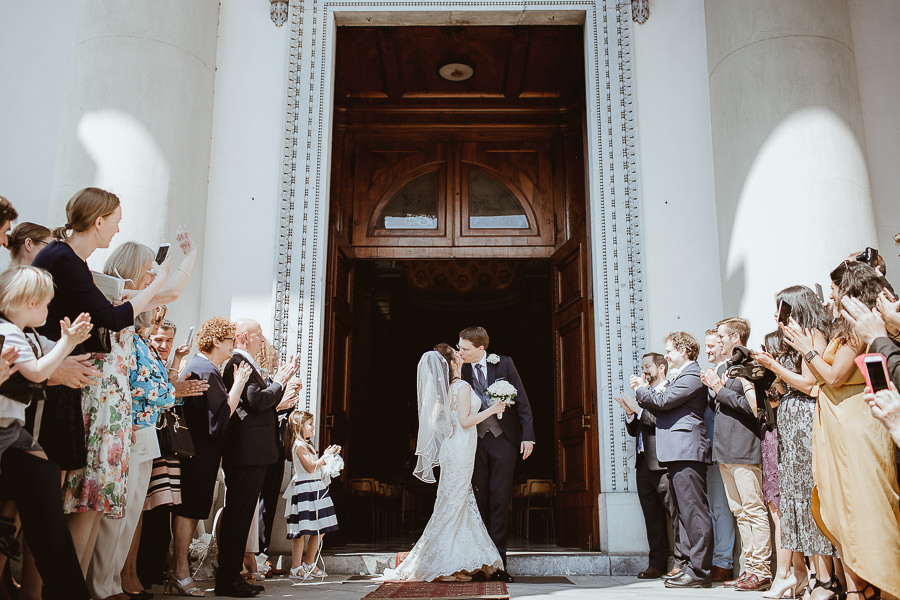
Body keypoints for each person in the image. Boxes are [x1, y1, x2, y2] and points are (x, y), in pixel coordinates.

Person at [783, 261, 900, 599]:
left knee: (866, 504)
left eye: (833, 291)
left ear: (848, 292)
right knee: (840, 507)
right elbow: (819, 371)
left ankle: (881, 584)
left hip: (858, 425)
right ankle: (855, 588)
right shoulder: (841, 327)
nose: (828, 297)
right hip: (836, 424)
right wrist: (806, 342)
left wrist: (805, 347)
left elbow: (831, 377)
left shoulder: (856, 331)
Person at [0, 265, 93, 600]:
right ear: (28, 302)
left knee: (45, 472)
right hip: (5, 432)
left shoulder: (19, 333)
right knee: (42, 477)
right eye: (44, 304)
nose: (48, 310)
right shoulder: (10, 334)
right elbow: (39, 373)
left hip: (15, 430)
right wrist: (67, 343)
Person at [383, 345, 506, 582]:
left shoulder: (447, 389)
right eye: (456, 352)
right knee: (454, 502)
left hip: (458, 447)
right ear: (451, 364)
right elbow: (465, 420)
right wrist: (493, 410)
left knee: (455, 501)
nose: (461, 353)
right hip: (459, 449)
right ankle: (444, 565)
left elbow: (440, 422)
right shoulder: (461, 386)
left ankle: (455, 564)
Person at [754, 287, 838, 600]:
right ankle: (803, 576)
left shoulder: (813, 333)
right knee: (793, 497)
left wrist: (776, 367)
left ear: (795, 307)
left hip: (804, 418)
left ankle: (823, 579)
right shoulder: (794, 336)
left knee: (807, 495)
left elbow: (808, 382)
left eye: (782, 309)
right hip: (790, 418)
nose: (777, 316)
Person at [169, 317, 252, 597]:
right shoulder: (204, 369)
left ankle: (179, 571)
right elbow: (218, 421)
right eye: (230, 340)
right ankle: (179, 572)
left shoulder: (204, 368)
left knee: (193, 509)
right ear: (216, 341)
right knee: (189, 509)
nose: (233, 345)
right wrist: (238, 385)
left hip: (201, 452)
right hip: (197, 452)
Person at [217, 318, 298, 598]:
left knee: (241, 515)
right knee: (237, 516)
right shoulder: (239, 363)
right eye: (258, 334)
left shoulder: (246, 363)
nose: (262, 339)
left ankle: (233, 575)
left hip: (253, 451)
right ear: (243, 336)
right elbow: (256, 401)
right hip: (246, 452)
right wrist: (280, 381)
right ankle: (228, 578)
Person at [632, 331, 713, 589]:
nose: (666, 355)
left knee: (694, 513)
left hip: (687, 449)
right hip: (676, 452)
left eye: (670, 350)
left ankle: (700, 571)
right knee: (685, 513)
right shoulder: (682, 376)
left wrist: (642, 390)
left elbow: (664, 400)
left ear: (684, 351)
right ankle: (689, 566)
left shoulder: (691, 375)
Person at [457, 326, 534, 581]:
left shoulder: (505, 364)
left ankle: (499, 565)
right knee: (478, 503)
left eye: (465, 348)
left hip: (503, 440)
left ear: (482, 348)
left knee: (500, 500)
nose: (461, 352)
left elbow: (522, 400)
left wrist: (527, 436)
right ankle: (479, 564)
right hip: (473, 442)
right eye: (460, 347)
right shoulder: (459, 368)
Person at [701, 317, 771, 591]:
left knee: (753, 509)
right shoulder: (729, 368)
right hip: (725, 448)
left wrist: (718, 389)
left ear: (734, 338)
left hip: (743, 446)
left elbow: (753, 408)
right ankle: (748, 568)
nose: (717, 340)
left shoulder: (748, 367)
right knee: (739, 511)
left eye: (720, 336)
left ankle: (762, 570)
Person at [614, 352, 685, 579]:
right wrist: (630, 414)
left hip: (663, 462)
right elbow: (636, 430)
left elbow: (658, 421)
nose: (643, 370)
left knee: (675, 514)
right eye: (642, 366)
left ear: (661, 367)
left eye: (647, 366)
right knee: (651, 516)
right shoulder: (644, 394)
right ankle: (656, 563)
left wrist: (638, 408)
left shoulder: (669, 391)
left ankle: (682, 562)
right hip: (643, 463)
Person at [284, 410, 340, 581]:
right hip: (305, 491)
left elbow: (316, 466)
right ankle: (295, 566)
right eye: (310, 424)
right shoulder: (298, 445)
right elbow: (309, 467)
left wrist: (328, 457)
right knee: (301, 532)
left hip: (316, 489)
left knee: (320, 529)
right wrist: (325, 457)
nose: (313, 427)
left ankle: (309, 562)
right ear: (300, 427)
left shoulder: (308, 444)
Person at [700, 329, 736, 583]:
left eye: (712, 345)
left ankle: (724, 561)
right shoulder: (711, 372)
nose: (708, 350)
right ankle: (716, 557)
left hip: (728, 447)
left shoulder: (729, 371)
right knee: (714, 507)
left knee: (724, 507)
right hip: (710, 449)